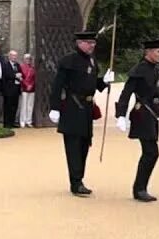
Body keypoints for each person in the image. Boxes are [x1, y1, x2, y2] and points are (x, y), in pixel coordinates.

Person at [114, 38, 159, 202]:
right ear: (148, 52)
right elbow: (126, 93)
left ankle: (141, 188)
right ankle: (139, 189)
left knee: (151, 153)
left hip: (153, 115)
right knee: (151, 152)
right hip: (142, 115)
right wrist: (120, 115)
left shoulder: (157, 71)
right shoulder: (138, 70)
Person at [47, 31, 114, 196]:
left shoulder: (92, 60)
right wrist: (54, 107)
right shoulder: (68, 61)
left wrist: (104, 82)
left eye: (93, 43)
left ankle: (79, 179)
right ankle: (76, 183)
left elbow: (93, 85)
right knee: (73, 146)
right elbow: (57, 85)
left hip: (87, 108)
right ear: (79, 43)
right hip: (72, 107)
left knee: (84, 145)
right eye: (89, 42)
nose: (92, 45)